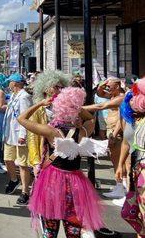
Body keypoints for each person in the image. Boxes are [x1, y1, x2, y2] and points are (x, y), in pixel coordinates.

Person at [17, 87, 104, 237]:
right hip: (76, 184)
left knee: (49, 232)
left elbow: (21, 119)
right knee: (73, 231)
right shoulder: (82, 131)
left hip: (51, 183)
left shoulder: (51, 132)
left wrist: (40, 104)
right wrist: (76, 107)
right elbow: (91, 118)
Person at [83, 77, 126, 199]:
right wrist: (104, 83)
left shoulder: (120, 98)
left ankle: (123, 188)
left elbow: (101, 106)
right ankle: (119, 186)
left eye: (109, 86)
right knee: (114, 160)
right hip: (112, 131)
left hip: (117, 133)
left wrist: (81, 108)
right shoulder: (112, 95)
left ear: (117, 86)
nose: (107, 88)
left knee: (119, 162)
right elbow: (99, 92)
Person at [28, 70, 70, 174]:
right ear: (46, 88)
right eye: (55, 86)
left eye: (61, 87)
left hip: (63, 150)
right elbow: (32, 136)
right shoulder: (38, 108)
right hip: (45, 150)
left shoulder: (64, 106)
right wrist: (35, 161)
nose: (59, 89)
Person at [2, 73, 32, 205]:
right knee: (8, 159)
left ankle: (25, 192)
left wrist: (23, 135)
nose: (9, 84)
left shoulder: (24, 97)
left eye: (10, 82)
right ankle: (14, 180)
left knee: (23, 164)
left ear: (16, 83)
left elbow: (25, 117)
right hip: (10, 134)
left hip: (19, 135)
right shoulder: (14, 96)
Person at [120, 79, 145, 235]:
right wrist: (121, 165)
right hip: (137, 170)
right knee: (132, 211)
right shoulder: (137, 121)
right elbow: (126, 142)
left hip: (142, 171)